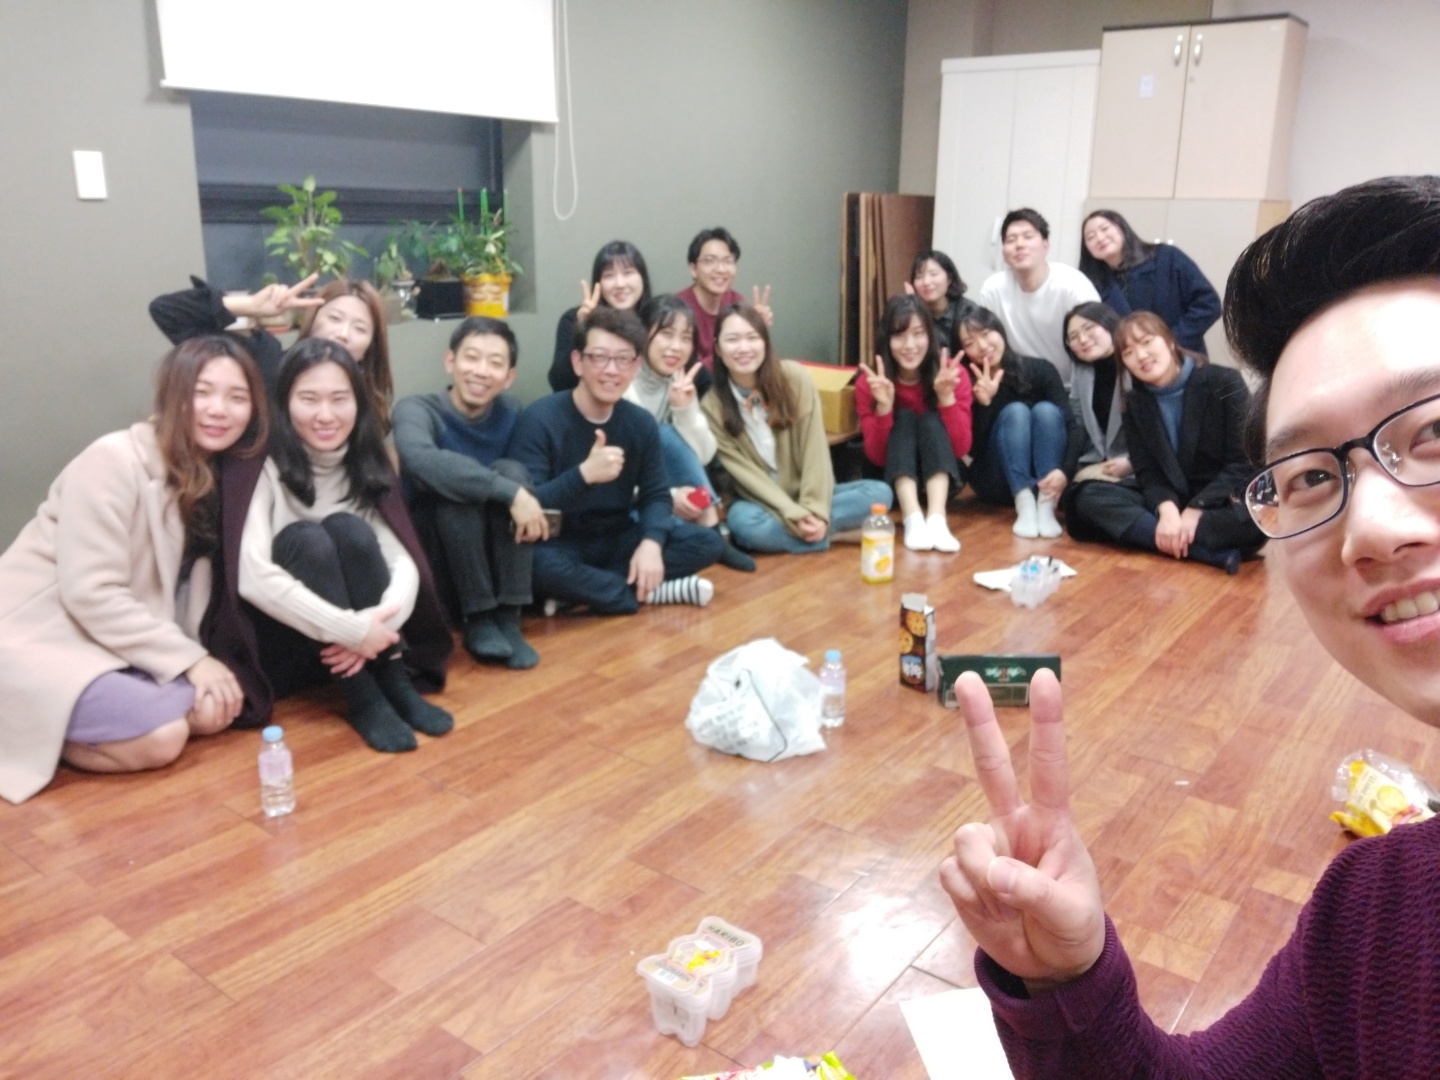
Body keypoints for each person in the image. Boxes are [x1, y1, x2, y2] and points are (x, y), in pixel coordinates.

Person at [941, 175, 1440, 1076]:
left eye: (1433, 432)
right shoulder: (1377, 906)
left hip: (1218, 511)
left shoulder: (1211, 386)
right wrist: (1067, 982)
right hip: (1178, 512)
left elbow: (1223, 480)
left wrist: (1193, 513)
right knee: (1098, 502)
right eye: (1314, 476)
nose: (1371, 528)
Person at [0, 336, 265, 803]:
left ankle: (72, 724)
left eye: (236, 397)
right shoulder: (113, 459)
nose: (218, 409)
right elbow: (90, 592)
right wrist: (192, 662)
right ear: (173, 395)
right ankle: (28, 732)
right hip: (42, 639)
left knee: (209, 711)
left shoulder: (214, 480)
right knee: (163, 736)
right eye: (202, 392)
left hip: (110, 645)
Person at [238, 339, 453, 753]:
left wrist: (378, 627)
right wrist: (352, 631)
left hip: (368, 640)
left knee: (349, 529)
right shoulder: (262, 463)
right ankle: (363, 698)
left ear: (358, 403)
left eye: (339, 399)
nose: (326, 415)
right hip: (291, 635)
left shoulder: (365, 459)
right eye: (309, 399)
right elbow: (252, 575)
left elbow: (401, 559)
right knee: (308, 539)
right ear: (284, 403)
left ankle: (393, 681)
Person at [509, 306, 725, 614]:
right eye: (599, 357)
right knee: (535, 564)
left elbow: (655, 495)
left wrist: (651, 544)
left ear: (636, 366)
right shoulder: (539, 419)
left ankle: (583, 593)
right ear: (578, 362)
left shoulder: (640, 423)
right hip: (561, 542)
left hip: (617, 537)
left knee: (707, 543)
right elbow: (530, 504)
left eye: (623, 359)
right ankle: (644, 592)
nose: (612, 370)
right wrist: (584, 475)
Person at [393, 317, 544, 670]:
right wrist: (509, 493)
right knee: (455, 491)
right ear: (451, 361)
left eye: (495, 362)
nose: (481, 371)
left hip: (495, 556)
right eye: (471, 357)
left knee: (513, 470)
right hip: (438, 556)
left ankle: (508, 617)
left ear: (509, 377)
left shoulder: (513, 413)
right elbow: (419, 459)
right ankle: (479, 617)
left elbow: (526, 477)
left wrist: (516, 491)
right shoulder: (416, 409)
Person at [1067, 311, 1265, 574]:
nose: (1141, 356)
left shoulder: (1224, 381)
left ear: (1170, 341)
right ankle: (1205, 553)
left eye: (1147, 342)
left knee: (1256, 517)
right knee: (1086, 496)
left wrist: (1196, 509)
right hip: (1174, 499)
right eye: (1128, 352)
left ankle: (1161, 536)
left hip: (1220, 502)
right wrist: (1167, 510)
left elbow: (1244, 463)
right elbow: (1148, 471)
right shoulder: (1134, 403)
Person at [701, 303, 892, 553]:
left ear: (765, 342)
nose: (744, 348)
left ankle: (810, 532)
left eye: (752, 337)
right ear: (718, 348)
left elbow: (815, 449)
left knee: (879, 492)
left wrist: (815, 510)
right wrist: (792, 513)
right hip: (762, 503)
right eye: (732, 340)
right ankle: (835, 536)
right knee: (742, 523)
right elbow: (743, 473)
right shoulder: (711, 405)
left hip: (807, 491)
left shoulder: (794, 378)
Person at [150, 274, 394, 427]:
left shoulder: (367, 404)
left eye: (360, 328)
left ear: (369, 347)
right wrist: (250, 306)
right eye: (335, 318)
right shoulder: (266, 359)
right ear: (312, 321)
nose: (343, 333)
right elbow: (168, 312)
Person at [625, 295, 756, 572]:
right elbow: (618, 477)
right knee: (660, 433)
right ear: (643, 334)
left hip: (659, 492)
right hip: (625, 498)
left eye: (686, 338)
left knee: (667, 434)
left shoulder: (679, 381)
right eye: (666, 334)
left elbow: (704, 455)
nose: (676, 346)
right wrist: (670, 495)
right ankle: (710, 533)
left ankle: (709, 525)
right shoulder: (622, 384)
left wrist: (684, 410)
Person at [856, 294, 972, 552]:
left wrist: (946, 399)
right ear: (887, 339)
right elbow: (876, 456)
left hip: (941, 481)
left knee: (929, 419)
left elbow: (961, 448)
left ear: (930, 335)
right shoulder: (871, 382)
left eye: (918, 333)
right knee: (905, 417)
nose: (910, 345)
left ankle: (937, 519)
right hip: (891, 481)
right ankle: (913, 519)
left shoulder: (952, 374)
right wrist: (884, 408)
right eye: (899, 335)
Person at [958, 306, 1075, 539]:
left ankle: (1046, 505)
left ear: (1000, 330)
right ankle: (1024, 503)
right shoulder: (968, 382)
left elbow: (1072, 426)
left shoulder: (1040, 369)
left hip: (1047, 478)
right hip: (998, 480)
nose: (982, 346)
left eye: (986, 333)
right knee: (1016, 412)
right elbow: (973, 450)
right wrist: (985, 403)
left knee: (1046, 411)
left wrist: (1065, 472)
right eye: (970, 343)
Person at [976, 209, 1101, 389]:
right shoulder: (993, 289)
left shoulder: (1072, 283)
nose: (1020, 244)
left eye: (1028, 236)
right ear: (1003, 253)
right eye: (1011, 240)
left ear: (1045, 246)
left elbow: (1098, 336)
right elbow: (985, 341)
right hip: (1017, 385)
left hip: (1070, 386)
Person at [1079, 209, 1221, 355]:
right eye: (1090, 237)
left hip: (1181, 355)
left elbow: (1208, 304)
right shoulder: (1091, 285)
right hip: (1130, 363)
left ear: (1122, 228)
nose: (1100, 238)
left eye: (1104, 229)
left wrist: (1171, 342)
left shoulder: (1166, 257)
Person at [1057, 302, 1132, 537]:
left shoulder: (1134, 363)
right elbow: (1078, 424)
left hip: (1139, 465)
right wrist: (1064, 471)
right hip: (1100, 462)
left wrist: (1132, 462)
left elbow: (1158, 428)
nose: (1083, 339)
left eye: (1089, 328)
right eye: (1073, 337)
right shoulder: (1081, 371)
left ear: (1110, 324)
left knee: (1084, 503)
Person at [546, 240, 652, 392]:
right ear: (598, 283)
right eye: (609, 276)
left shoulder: (656, 321)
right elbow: (559, 382)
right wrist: (583, 330)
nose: (620, 284)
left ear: (642, 278)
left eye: (628, 273)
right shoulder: (574, 318)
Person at [678, 227, 774, 370]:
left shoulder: (736, 302)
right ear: (693, 269)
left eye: (728, 261)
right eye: (710, 261)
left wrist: (757, 330)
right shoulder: (679, 309)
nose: (721, 269)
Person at [908, 249, 974, 355]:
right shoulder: (912, 313)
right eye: (919, 276)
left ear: (949, 278)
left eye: (933, 274)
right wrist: (912, 310)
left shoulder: (968, 311)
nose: (926, 282)